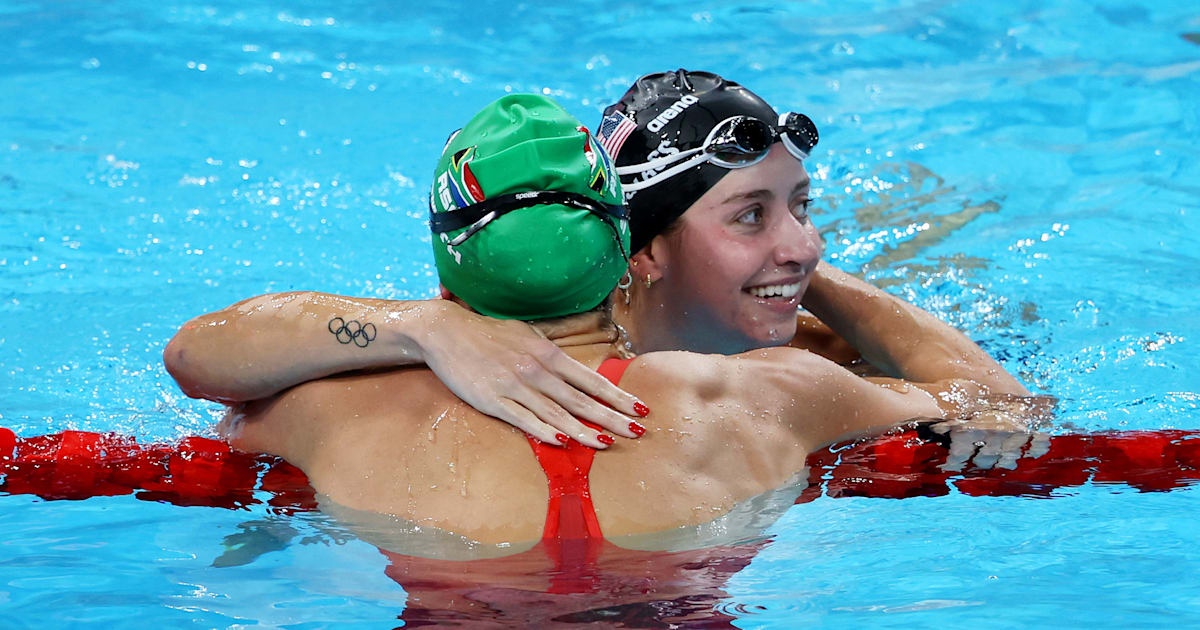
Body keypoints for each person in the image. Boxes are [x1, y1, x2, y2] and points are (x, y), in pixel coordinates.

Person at [221, 93, 1026, 547]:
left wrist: (803, 268)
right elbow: (1002, 406)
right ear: (630, 251)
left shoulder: (325, 408)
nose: (804, 245)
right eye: (751, 217)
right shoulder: (770, 396)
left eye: (804, 212)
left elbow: (202, 358)